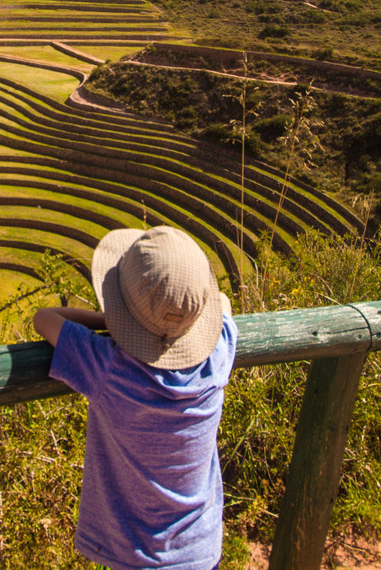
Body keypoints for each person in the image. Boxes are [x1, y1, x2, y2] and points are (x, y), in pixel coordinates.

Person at [34, 226, 238, 570]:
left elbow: (44, 319)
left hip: (134, 556)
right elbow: (223, 305)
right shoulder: (218, 355)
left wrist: (112, 322)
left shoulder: (108, 365)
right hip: (200, 550)